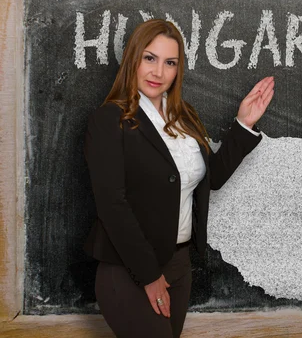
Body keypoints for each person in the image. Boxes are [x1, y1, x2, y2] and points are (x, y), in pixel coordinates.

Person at [83, 19, 274, 338]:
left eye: (169, 62)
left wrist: (243, 124)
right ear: (133, 59)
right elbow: (112, 205)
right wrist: (149, 276)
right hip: (130, 269)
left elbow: (208, 180)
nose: (158, 72)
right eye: (150, 58)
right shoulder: (110, 120)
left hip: (179, 265)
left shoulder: (184, 118)